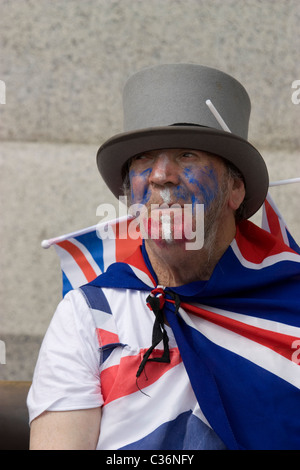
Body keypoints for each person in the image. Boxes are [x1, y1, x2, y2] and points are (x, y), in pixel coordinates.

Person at [27, 64, 300, 450]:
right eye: (144, 160)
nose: (161, 175)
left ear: (235, 191)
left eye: (186, 154)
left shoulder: (293, 304)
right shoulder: (88, 314)